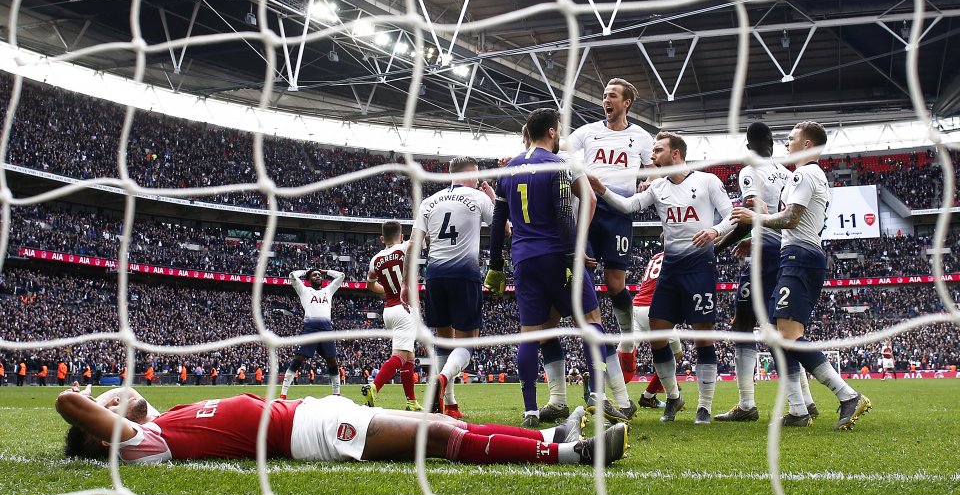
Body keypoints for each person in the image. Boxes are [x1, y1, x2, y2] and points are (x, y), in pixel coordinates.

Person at [486, 107, 629, 427]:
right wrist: (574, 250)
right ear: (552, 131)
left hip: (524, 259)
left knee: (531, 333)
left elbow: (498, 222)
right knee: (592, 322)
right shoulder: (561, 163)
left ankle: (531, 410)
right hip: (560, 254)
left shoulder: (508, 170)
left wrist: (495, 264)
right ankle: (599, 399)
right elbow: (584, 203)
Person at [55, 388, 628, 467]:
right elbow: (67, 400)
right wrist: (105, 415)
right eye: (108, 405)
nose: (120, 393)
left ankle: (555, 437)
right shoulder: (145, 445)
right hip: (308, 435)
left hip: (311, 411)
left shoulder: (160, 419)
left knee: (437, 420)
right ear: (105, 432)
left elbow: (125, 400)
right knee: (436, 438)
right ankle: (574, 458)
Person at [731, 121, 872, 430]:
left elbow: (792, 219)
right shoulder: (807, 174)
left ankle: (847, 395)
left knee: (789, 335)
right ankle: (798, 409)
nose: (787, 143)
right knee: (777, 333)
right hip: (796, 256)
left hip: (800, 257)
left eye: (792, 138)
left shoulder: (805, 173)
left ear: (807, 145)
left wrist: (755, 217)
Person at [587, 130, 736, 424]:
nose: (652, 156)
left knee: (703, 338)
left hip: (699, 267)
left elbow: (732, 213)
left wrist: (715, 231)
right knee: (657, 333)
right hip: (670, 270)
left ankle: (704, 406)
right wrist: (602, 189)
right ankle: (673, 397)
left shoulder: (707, 181)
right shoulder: (658, 188)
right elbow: (630, 206)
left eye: (657, 150)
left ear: (676, 154)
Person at [565, 78, 655, 384]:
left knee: (615, 284)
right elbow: (559, 149)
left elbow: (656, 168)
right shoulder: (588, 132)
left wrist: (648, 180)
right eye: (604, 95)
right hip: (587, 208)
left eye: (612, 96)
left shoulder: (641, 137)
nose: (606, 100)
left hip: (618, 210)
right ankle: (595, 346)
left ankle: (627, 340)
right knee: (583, 275)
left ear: (626, 102)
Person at [713, 122, 797, 422]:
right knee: (780, 328)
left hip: (766, 256)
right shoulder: (787, 173)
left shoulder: (750, 171)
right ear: (772, 144)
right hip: (786, 251)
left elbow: (750, 217)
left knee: (744, 326)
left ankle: (748, 404)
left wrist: (716, 248)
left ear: (748, 146)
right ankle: (803, 402)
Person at [402, 157, 495, 419]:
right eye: (477, 175)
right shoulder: (478, 197)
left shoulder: (430, 201)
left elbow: (412, 246)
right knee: (467, 343)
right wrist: (493, 197)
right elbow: (506, 229)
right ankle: (441, 379)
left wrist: (406, 284)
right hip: (465, 274)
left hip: (434, 275)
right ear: (472, 174)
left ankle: (449, 404)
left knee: (444, 342)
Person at [363, 220, 423, 412]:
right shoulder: (406, 248)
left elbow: (370, 285)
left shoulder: (375, 259)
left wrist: (388, 292)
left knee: (409, 357)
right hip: (406, 308)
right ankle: (375, 386)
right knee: (400, 355)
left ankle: (411, 402)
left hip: (389, 310)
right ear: (402, 236)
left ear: (382, 239)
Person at [627, 250, 685, 409]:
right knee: (675, 354)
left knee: (626, 353)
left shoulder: (656, 256)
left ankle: (597, 387)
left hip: (636, 307)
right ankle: (661, 396)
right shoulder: (678, 254)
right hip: (655, 309)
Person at [280, 268, 345, 399]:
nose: (318, 276)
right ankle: (283, 394)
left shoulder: (328, 290)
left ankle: (337, 394)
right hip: (310, 329)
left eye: (319, 275)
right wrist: (305, 272)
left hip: (327, 330)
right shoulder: (304, 290)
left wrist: (326, 271)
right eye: (314, 275)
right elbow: (292, 274)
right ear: (309, 279)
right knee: (298, 360)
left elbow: (341, 276)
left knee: (332, 361)